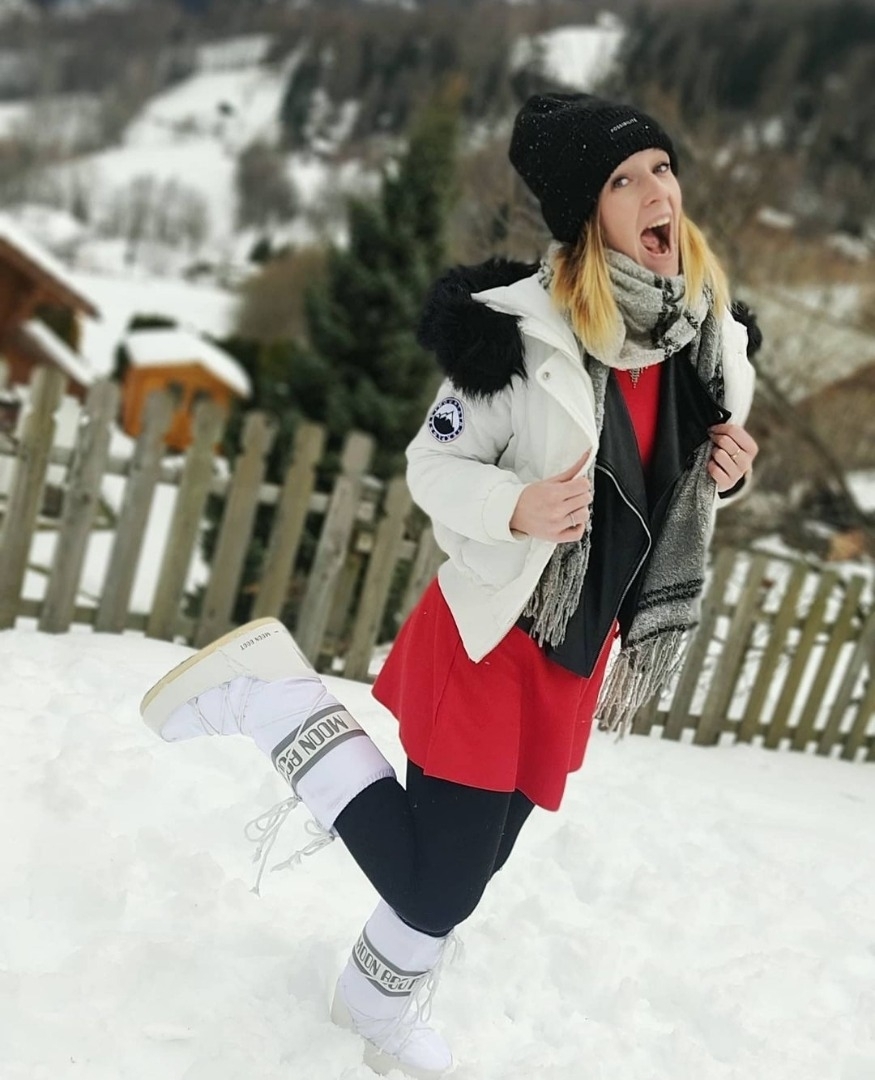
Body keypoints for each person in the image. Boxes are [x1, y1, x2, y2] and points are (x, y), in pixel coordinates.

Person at [141, 92, 760, 1080]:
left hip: (577, 648)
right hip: (495, 635)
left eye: (660, 168)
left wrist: (728, 474)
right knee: (437, 885)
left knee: (472, 864)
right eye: (621, 179)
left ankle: (371, 1004)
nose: (657, 193)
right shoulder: (517, 336)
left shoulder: (709, 340)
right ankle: (276, 702)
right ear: (585, 214)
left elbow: (673, 490)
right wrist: (517, 506)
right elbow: (430, 467)